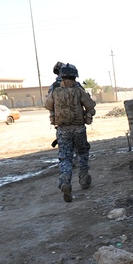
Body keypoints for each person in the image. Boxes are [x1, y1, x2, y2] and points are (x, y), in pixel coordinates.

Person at [44, 63, 96, 202]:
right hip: (79, 128)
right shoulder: (78, 89)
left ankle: (65, 180)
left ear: (61, 76)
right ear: (74, 76)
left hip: (62, 129)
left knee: (65, 157)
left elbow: (47, 105)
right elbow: (90, 105)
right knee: (82, 153)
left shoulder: (54, 90)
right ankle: (84, 178)